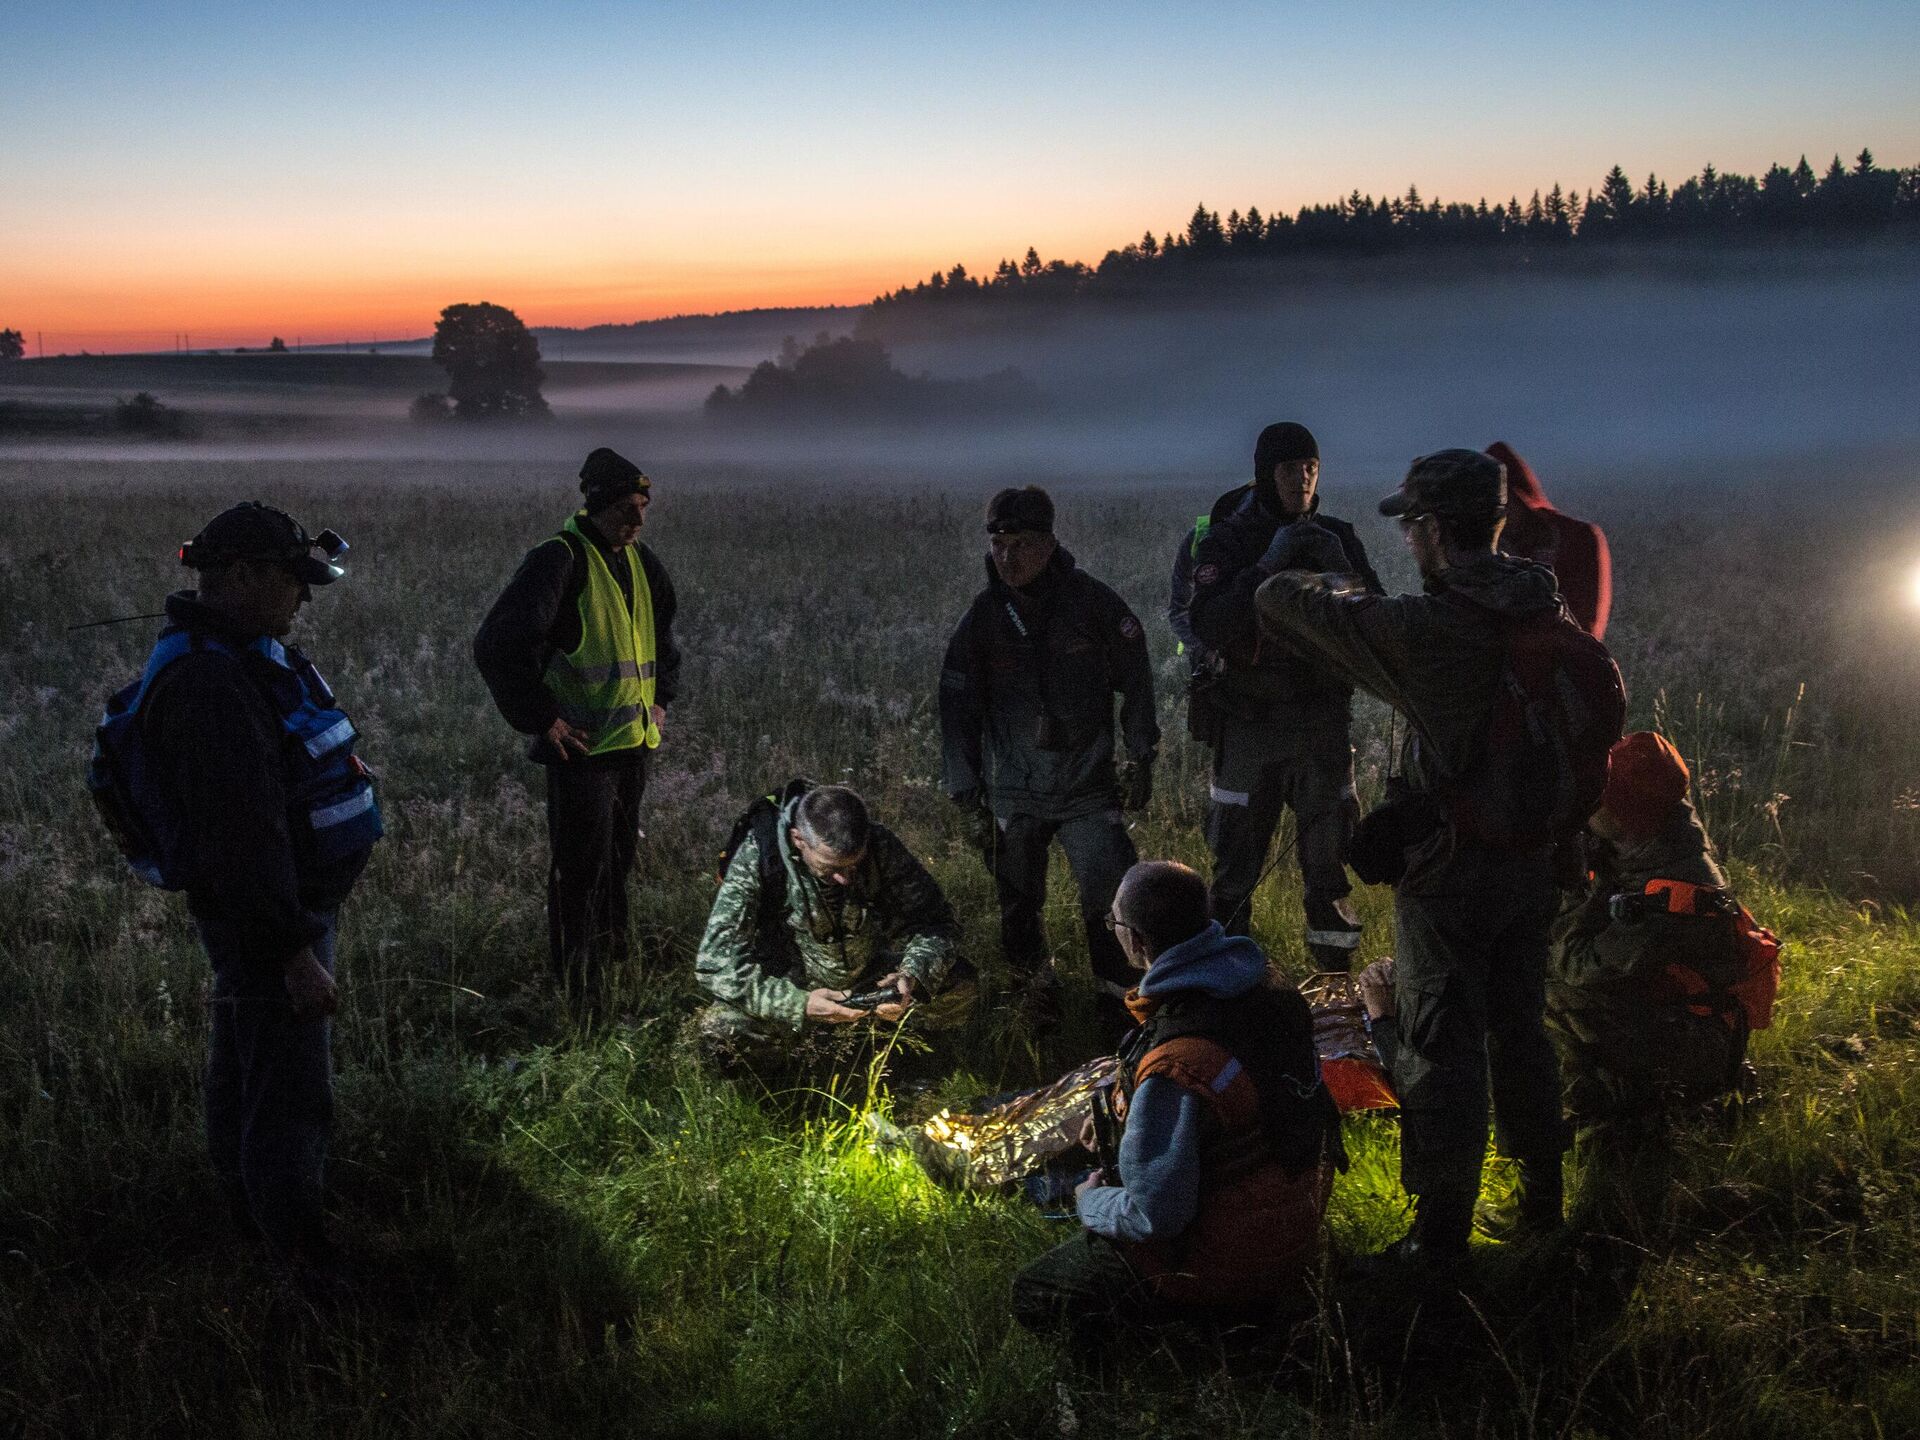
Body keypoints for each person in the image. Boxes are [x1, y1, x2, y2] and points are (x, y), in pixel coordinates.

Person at [1255, 448, 1602, 1269]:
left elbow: (1280, 601)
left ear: (1437, 531)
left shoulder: (1435, 633)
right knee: (1521, 1031)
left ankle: (1438, 1237)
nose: (1408, 540)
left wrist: (1327, 573)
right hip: (1534, 864)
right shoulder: (1541, 612)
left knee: (1440, 1045)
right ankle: (1540, 1204)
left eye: (1411, 525)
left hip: (1455, 875)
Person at [93, 502, 382, 1289]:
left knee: (246, 1066)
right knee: (289, 1091)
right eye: (293, 580)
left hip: (269, 913)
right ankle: (299, 1258)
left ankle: (251, 1220)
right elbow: (241, 839)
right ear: (244, 576)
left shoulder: (229, 657)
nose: (304, 598)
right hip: (270, 920)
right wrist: (294, 951)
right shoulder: (209, 684)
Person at [1011, 861, 1340, 1339]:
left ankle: (1202, 1338)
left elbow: (1155, 1215)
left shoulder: (1180, 1064)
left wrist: (1091, 1202)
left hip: (1226, 1265)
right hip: (1296, 1227)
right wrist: (1127, 1106)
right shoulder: (1268, 989)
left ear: (1138, 942)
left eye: (1114, 924)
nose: (1112, 932)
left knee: (1036, 1290)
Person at [940, 485, 1159, 1037]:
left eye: (1021, 544)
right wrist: (966, 794)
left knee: (1110, 899)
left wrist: (1141, 753)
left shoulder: (1093, 604)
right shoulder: (984, 619)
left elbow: (1136, 677)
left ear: (1049, 542)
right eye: (999, 545)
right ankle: (1034, 1001)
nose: (1008, 557)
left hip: (1087, 788)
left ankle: (1120, 1008)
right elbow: (956, 708)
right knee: (1017, 904)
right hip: (1016, 789)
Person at [473, 448, 680, 1008]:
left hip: (632, 748)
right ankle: (579, 994)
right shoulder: (558, 559)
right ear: (595, 506)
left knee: (617, 865)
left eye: (642, 507)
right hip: (581, 754)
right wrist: (543, 719)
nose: (637, 520)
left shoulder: (641, 561)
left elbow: (663, 638)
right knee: (580, 876)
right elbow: (497, 645)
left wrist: (661, 700)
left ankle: (614, 969)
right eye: (625, 509)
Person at [1185, 422, 1382, 963]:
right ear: (1265, 474)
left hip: (1321, 722)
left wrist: (1339, 565)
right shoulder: (1228, 540)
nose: (1303, 479)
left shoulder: (1337, 534)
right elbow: (1210, 623)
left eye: (1311, 468)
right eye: (1290, 469)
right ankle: (1228, 988)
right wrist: (1267, 565)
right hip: (1249, 723)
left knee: (1329, 865)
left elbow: (1379, 621)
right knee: (1234, 870)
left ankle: (1335, 984)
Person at [1547, 732, 1770, 1126]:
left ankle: (1611, 1103)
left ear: (1626, 816)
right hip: (1697, 1031)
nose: (1587, 808)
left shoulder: (1672, 896)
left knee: (1540, 986)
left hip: (1690, 1053)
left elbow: (1577, 965)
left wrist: (1576, 890)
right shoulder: (1664, 845)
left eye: (1598, 799)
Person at [693, 783, 974, 1064]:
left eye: (853, 865)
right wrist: (796, 1004)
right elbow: (716, 962)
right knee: (721, 1031)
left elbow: (937, 923)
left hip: (869, 980)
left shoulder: (880, 847)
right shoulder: (760, 856)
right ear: (798, 839)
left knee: (959, 981)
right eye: (831, 868)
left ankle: (915, 1062)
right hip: (795, 985)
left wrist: (911, 974)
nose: (845, 878)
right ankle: (782, 1086)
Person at [1486, 441, 1612, 639]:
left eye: (1502, 501)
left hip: (1568, 659)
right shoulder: (1486, 548)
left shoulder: (1579, 539)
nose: (1498, 512)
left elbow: (1586, 625)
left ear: (1519, 495)